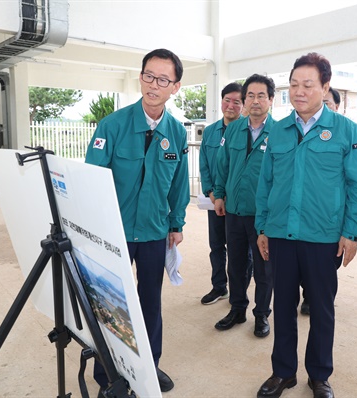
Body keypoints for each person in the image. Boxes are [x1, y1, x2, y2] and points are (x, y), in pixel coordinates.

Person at [255, 52, 357, 398]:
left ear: (325, 87)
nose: (299, 91)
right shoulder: (278, 131)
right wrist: (263, 226)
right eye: (293, 85)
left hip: (323, 237)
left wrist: (351, 232)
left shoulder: (345, 130)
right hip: (280, 233)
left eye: (307, 85)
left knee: (321, 309)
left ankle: (319, 375)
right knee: (284, 307)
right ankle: (283, 373)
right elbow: (266, 183)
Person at [85, 48, 189, 394]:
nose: (153, 85)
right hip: (113, 232)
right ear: (140, 77)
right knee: (110, 304)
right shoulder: (112, 126)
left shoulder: (176, 132)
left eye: (163, 79)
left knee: (149, 304)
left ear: (175, 86)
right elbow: (92, 180)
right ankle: (108, 376)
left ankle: (149, 367)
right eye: (148, 75)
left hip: (154, 233)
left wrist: (176, 224)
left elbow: (178, 184)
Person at [213, 74, 276, 338]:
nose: (255, 101)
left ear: (271, 100)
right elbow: (223, 164)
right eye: (250, 95)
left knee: (264, 268)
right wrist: (218, 194)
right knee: (236, 264)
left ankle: (261, 315)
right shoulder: (234, 130)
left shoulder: (280, 133)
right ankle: (237, 309)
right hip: (234, 211)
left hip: (263, 216)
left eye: (262, 95)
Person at [199, 82, 252, 305]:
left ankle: (241, 292)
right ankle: (219, 286)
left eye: (237, 102)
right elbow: (205, 165)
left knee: (241, 252)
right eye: (227, 100)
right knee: (216, 245)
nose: (231, 105)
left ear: (243, 105)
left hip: (239, 204)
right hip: (215, 202)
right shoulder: (210, 131)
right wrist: (212, 192)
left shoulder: (248, 130)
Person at [299, 86, 343, 317]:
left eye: (328, 103)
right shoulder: (291, 130)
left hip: (328, 222)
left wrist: (351, 231)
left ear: (336, 106)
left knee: (326, 270)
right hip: (297, 220)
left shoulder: (346, 132)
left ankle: (313, 296)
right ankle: (308, 294)